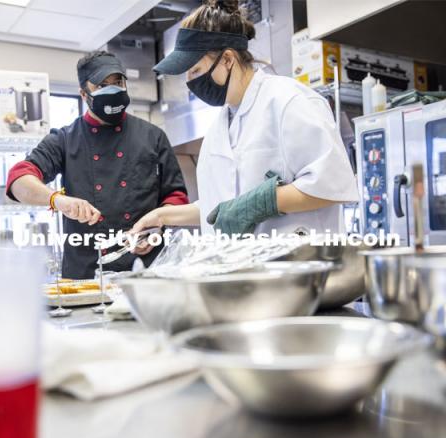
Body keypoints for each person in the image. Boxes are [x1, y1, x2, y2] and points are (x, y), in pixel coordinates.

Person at [131, 0, 358, 255]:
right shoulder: (220, 126)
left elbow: (332, 185)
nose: (190, 83)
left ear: (227, 59)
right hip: (245, 282)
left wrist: (262, 202)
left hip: (305, 277)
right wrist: (162, 216)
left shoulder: (289, 100)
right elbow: (221, 208)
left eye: (195, 70)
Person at [6, 51, 188, 279]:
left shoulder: (153, 137)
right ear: (84, 94)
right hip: (86, 273)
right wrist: (57, 200)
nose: (113, 89)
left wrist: (155, 228)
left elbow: (176, 196)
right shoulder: (65, 139)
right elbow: (18, 179)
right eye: (102, 85)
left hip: (147, 270)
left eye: (118, 82)